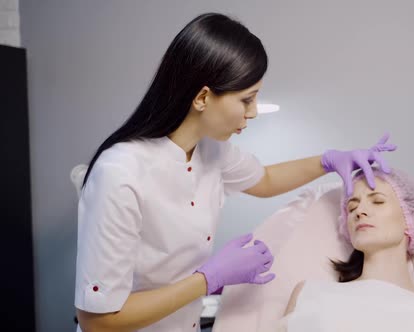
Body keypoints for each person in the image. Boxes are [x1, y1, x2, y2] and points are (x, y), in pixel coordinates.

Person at [74, 13, 395, 332]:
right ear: (202, 98)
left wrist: (328, 160)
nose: (253, 112)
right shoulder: (120, 173)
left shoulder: (211, 149)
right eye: (247, 100)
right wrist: (209, 279)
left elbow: (265, 180)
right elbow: (98, 321)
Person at [282, 168, 414, 332]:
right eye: (352, 207)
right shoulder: (309, 293)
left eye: (378, 201)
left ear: (411, 218)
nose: (360, 211)